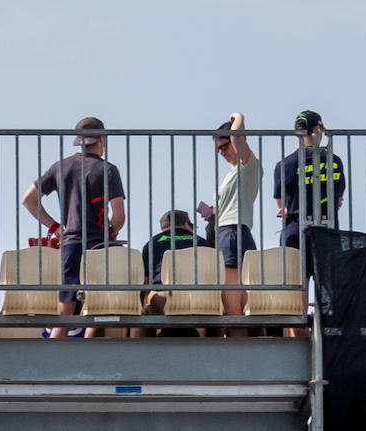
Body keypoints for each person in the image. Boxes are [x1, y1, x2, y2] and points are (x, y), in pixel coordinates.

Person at [21, 116, 126, 338]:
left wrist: (55, 227)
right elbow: (118, 215)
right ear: (103, 139)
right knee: (97, 306)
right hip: (99, 244)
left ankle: (56, 361)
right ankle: (87, 360)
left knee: (66, 309)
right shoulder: (108, 170)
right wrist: (112, 231)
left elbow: (28, 199)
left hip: (70, 243)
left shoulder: (60, 167)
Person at [202, 112, 260, 336]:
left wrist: (238, 116)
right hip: (228, 231)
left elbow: (237, 134)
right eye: (219, 149)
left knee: (232, 308)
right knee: (234, 306)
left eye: (225, 146)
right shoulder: (233, 172)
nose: (222, 152)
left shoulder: (248, 165)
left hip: (233, 232)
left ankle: (238, 359)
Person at [274, 110, 345, 249]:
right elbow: (338, 200)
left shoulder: (284, 165)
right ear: (318, 129)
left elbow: (282, 206)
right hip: (328, 232)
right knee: (328, 271)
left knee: (294, 271)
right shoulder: (334, 161)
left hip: (295, 231)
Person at [137, 209, 209, 337]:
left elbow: (146, 282)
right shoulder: (203, 243)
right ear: (187, 225)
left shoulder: (152, 244)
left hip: (164, 298)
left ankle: (145, 350)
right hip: (200, 297)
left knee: (146, 312)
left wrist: (143, 307)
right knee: (216, 311)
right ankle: (214, 347)